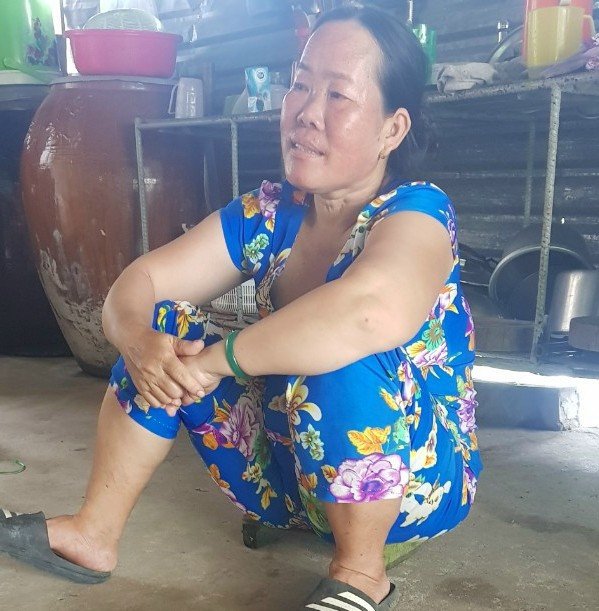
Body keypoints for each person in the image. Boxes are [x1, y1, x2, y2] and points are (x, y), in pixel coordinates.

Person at [0, 5, 482, 609]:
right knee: (163, 330)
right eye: (300, 84)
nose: (306, 112)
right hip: (287, 479)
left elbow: (367, 314)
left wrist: (215, 362)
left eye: (338, 95)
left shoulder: (418, 213)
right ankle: (92, 534)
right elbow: (139, 284)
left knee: (343, 349)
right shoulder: (270, 213)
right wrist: (141, 343)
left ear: (392, 129)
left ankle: (361, 575)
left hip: (416, 482)